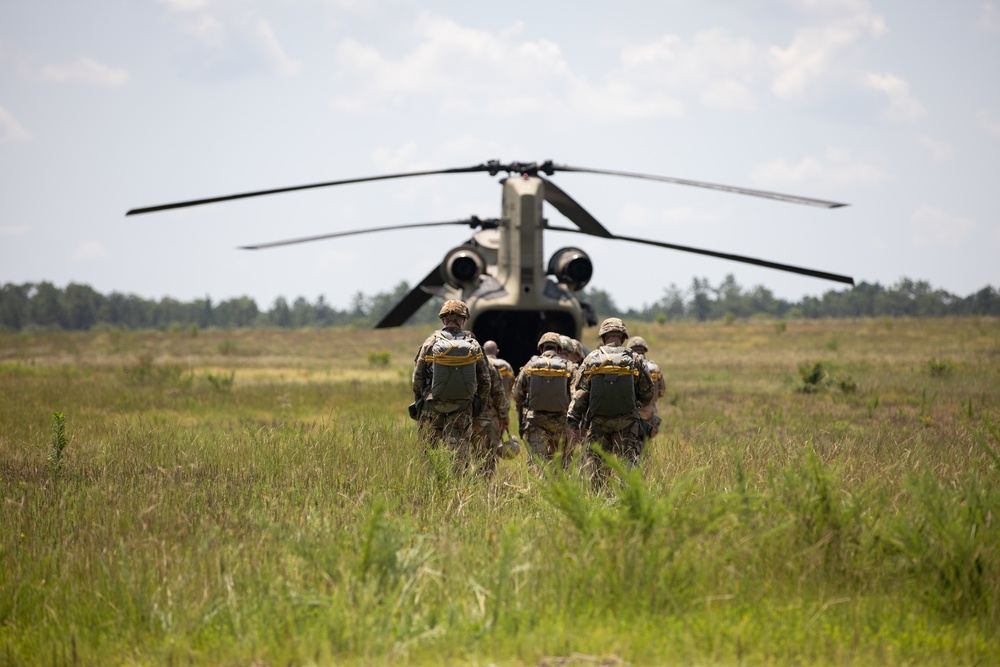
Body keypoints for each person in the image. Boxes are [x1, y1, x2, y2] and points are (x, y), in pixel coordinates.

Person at [567, 317, 654, 484]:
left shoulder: (591, 358)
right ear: (622, 337)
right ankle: (627, 504)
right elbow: (648, 393)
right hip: (627, 423)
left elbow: (580, 394)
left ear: (603, 337)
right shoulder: (635, 358)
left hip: (598, 423)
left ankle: (599, 504)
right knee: (627, 468)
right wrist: (632, 401)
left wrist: (573, 424)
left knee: (597, 470)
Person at [411, 299, 493, 473]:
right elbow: (485, 380)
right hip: (462, 407)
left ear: (443, 320)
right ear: (463, 319)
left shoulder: (430, 342)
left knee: (428, 454)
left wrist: (419, 400)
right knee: (458, 457)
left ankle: (430, 492)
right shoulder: (473, 345)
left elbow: (417, 377)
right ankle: (456, 493)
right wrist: (478, 404)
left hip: (431, 405)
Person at [513, 332, 573, 465]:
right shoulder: (568, 366)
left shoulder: (531, 364)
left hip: (535, 422)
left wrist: (523, 405)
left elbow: (517, 393)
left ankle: (537, 486)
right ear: (559, 349)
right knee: (562, 464)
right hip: (561, 422)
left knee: (536, 463)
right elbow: (576, 394)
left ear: (541, 348)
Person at [471, 357, 510, 475]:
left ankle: (464, 484)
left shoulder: (456, 360)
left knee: (462, 453)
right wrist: (504, 417)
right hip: (486, 419)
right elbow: (499, 394)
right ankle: (485, 486)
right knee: (487, 455)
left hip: (461, 415)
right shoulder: (489, 366)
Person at [626, 336, 667, 438]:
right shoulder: (655, 368)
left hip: (631, 412)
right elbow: (662, 391)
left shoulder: (626, 366)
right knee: (646, 443)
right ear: (644, 350)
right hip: (649, 412)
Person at [482, 340, 517, 459]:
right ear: (497, 351)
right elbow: (512, 386)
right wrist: (504, 415)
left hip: (480, 412)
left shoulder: (481, 363)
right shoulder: (506, 365)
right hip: (498, 414)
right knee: (493, 448)